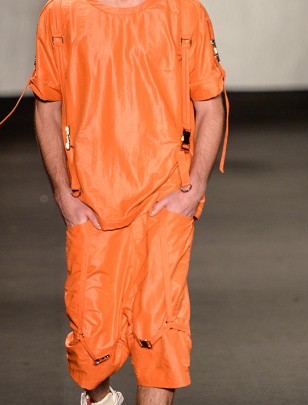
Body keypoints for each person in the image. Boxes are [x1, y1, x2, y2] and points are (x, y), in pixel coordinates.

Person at [29, 0, 228, 403]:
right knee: (91, 341)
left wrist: (193, 188)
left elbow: (210, 104)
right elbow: (47, 105)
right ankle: (101, 397)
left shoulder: (184, 11)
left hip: (165, 198)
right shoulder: (62, 12)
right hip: (93, 202)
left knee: (160, 332)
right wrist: (64, 195)